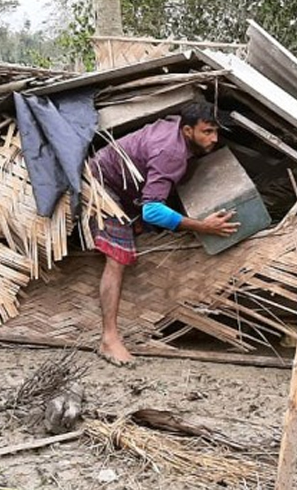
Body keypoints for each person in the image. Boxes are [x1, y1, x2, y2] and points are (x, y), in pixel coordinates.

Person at [86, 101, 240, 366]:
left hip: (128, 188)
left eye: (216, 131)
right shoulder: (171, 153)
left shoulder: (178, 131)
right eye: (207, 132)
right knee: (118, 257)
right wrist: (203, 226)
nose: (214, 139)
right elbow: (152, 212)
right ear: (188, 130)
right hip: (101, 186)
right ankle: (109, 339)